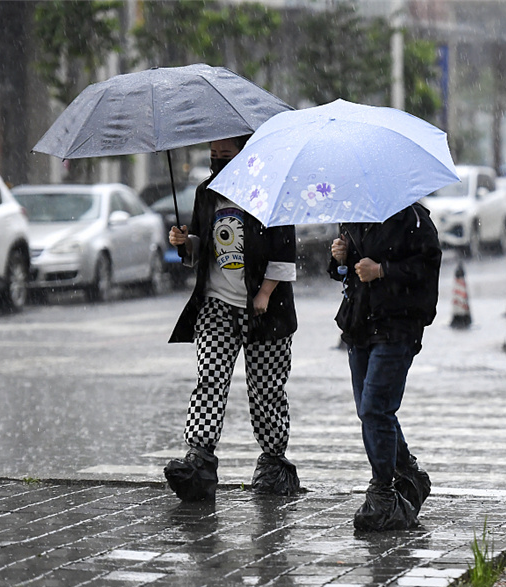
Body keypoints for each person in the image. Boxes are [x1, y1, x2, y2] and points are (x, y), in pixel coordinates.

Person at [164, 135, 301, 501]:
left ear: (245, 155)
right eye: (213, 155)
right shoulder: (207, 192)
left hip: (265, 310)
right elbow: (201, 245)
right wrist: (185, 242)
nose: (218, 162)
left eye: (226, 155)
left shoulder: (269, 192)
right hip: (216, 304)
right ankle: (199, 457)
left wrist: (264, 293)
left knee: (267, 389)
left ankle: (273, 461)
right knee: (210, 379)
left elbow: (284, 252)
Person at [328, 202, 441, 531]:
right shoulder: (353, 214)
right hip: (359, 323)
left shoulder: (413, 218)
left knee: (376, 408)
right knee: (369, 410)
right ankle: (406, 471)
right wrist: (339, 258)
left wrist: (383, 270)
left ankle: (383, 490)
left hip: (397, 326)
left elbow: (426, 266)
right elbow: (345, 272)